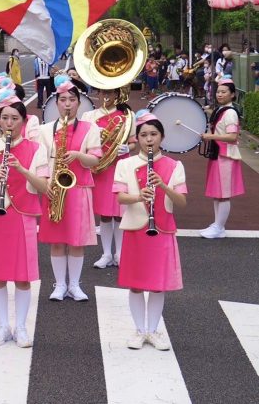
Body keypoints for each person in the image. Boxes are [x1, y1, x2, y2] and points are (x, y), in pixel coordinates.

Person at [0, 90, 49, 348]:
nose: (8, 123)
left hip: (23, 215)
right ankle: (3, 325)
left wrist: (21, 169)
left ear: (23, 121)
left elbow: (44, 187)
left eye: (14, 118)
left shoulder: (37, 149)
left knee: (23, 275)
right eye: (4, 118)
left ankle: (21, 327)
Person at [114, 111, 186, 351]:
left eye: (153, 134)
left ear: (162, 137)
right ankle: (139, 330)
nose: (148, 139)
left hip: (162, 230)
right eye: (143, 135)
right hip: (136, 229)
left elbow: (182, 202)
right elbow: (121, 198)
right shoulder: (125, 164)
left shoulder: (175, 166)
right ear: (138, 139)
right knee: (135, 283)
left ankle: (153, 330)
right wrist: (139, 195)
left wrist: (162, 184)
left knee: (157, 284)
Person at [38, 75, 102, 301]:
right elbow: (39, 160)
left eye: (72, 100)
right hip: (53, 189)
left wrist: (78, 155)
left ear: (79, 102)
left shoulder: (90, 128)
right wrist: (45, 182)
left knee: (77, 241)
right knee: (56, 241)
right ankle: (59, 285)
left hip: (79, 188)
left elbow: (96, 160)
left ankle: (74, 284)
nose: (67, 104)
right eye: (63, 100)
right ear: (56, 103)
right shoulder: (45, 130)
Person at [80, 88, 132, 269]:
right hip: (100, 167)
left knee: (119, 212)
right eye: (103, 92)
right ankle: (106, 253)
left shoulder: (126, 115)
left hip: (120, 167)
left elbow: (133, 140)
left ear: (117, 95)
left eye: (111, 93)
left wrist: (128, 147)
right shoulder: (89, 115)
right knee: (104, 212)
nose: (106, 96)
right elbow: (83, 139)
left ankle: (120, 253)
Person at [199, 77, 244, 239]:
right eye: (218, 91)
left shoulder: (230, 113)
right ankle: (218, 224)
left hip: (225, 156)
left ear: (232, 95)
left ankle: (219, 226)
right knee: (217, 193)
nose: (220, 94)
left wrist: (210, 137)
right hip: (219, 155)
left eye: (224, 92)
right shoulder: (221, 110)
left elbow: (232, 137)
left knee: (223, 194)